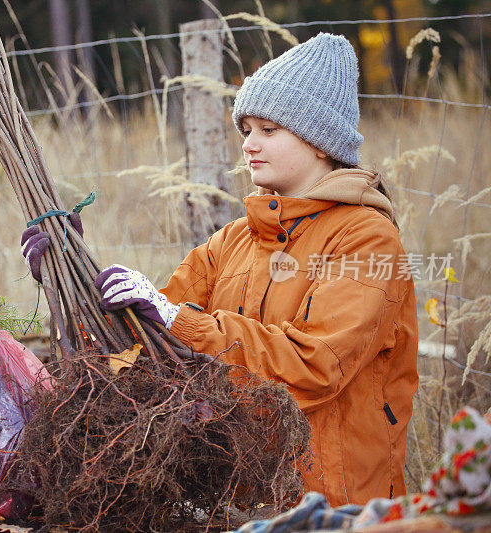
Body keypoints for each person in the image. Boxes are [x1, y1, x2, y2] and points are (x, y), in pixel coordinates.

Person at [21, 33, 418, 507]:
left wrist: (177, 320)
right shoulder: (234, 240)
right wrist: (71, 278)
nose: (249, 144)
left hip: (335, 504)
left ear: (319, 143)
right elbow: (146, 346)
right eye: (246, 129)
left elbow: (314, 366)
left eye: (269, 130)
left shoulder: (367, 239)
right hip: (237, 498)